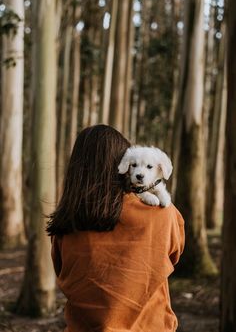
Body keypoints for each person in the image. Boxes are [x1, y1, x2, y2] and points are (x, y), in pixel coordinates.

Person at [47, 124, 185, 332]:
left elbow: (61, 269)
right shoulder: (161, 213)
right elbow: (174, 253)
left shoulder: (65, 225)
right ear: (121, 165)